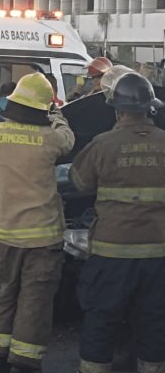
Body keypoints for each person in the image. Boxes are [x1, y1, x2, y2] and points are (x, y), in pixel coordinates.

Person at [0, 72, 75, 373]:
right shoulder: (50, 138)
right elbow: (69, 141)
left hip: (6, 235)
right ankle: (25, 361)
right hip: (43, 239)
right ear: (41, 108)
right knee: (34, 300)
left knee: (6, 292)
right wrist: (58, 114)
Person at [69, 66, 165, 373]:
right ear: (149, 108)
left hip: (111, 252)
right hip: (158, 253)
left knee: (101, 318)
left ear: (117, 110)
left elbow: (80, 183)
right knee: (154, 320)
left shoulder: (102, 144)